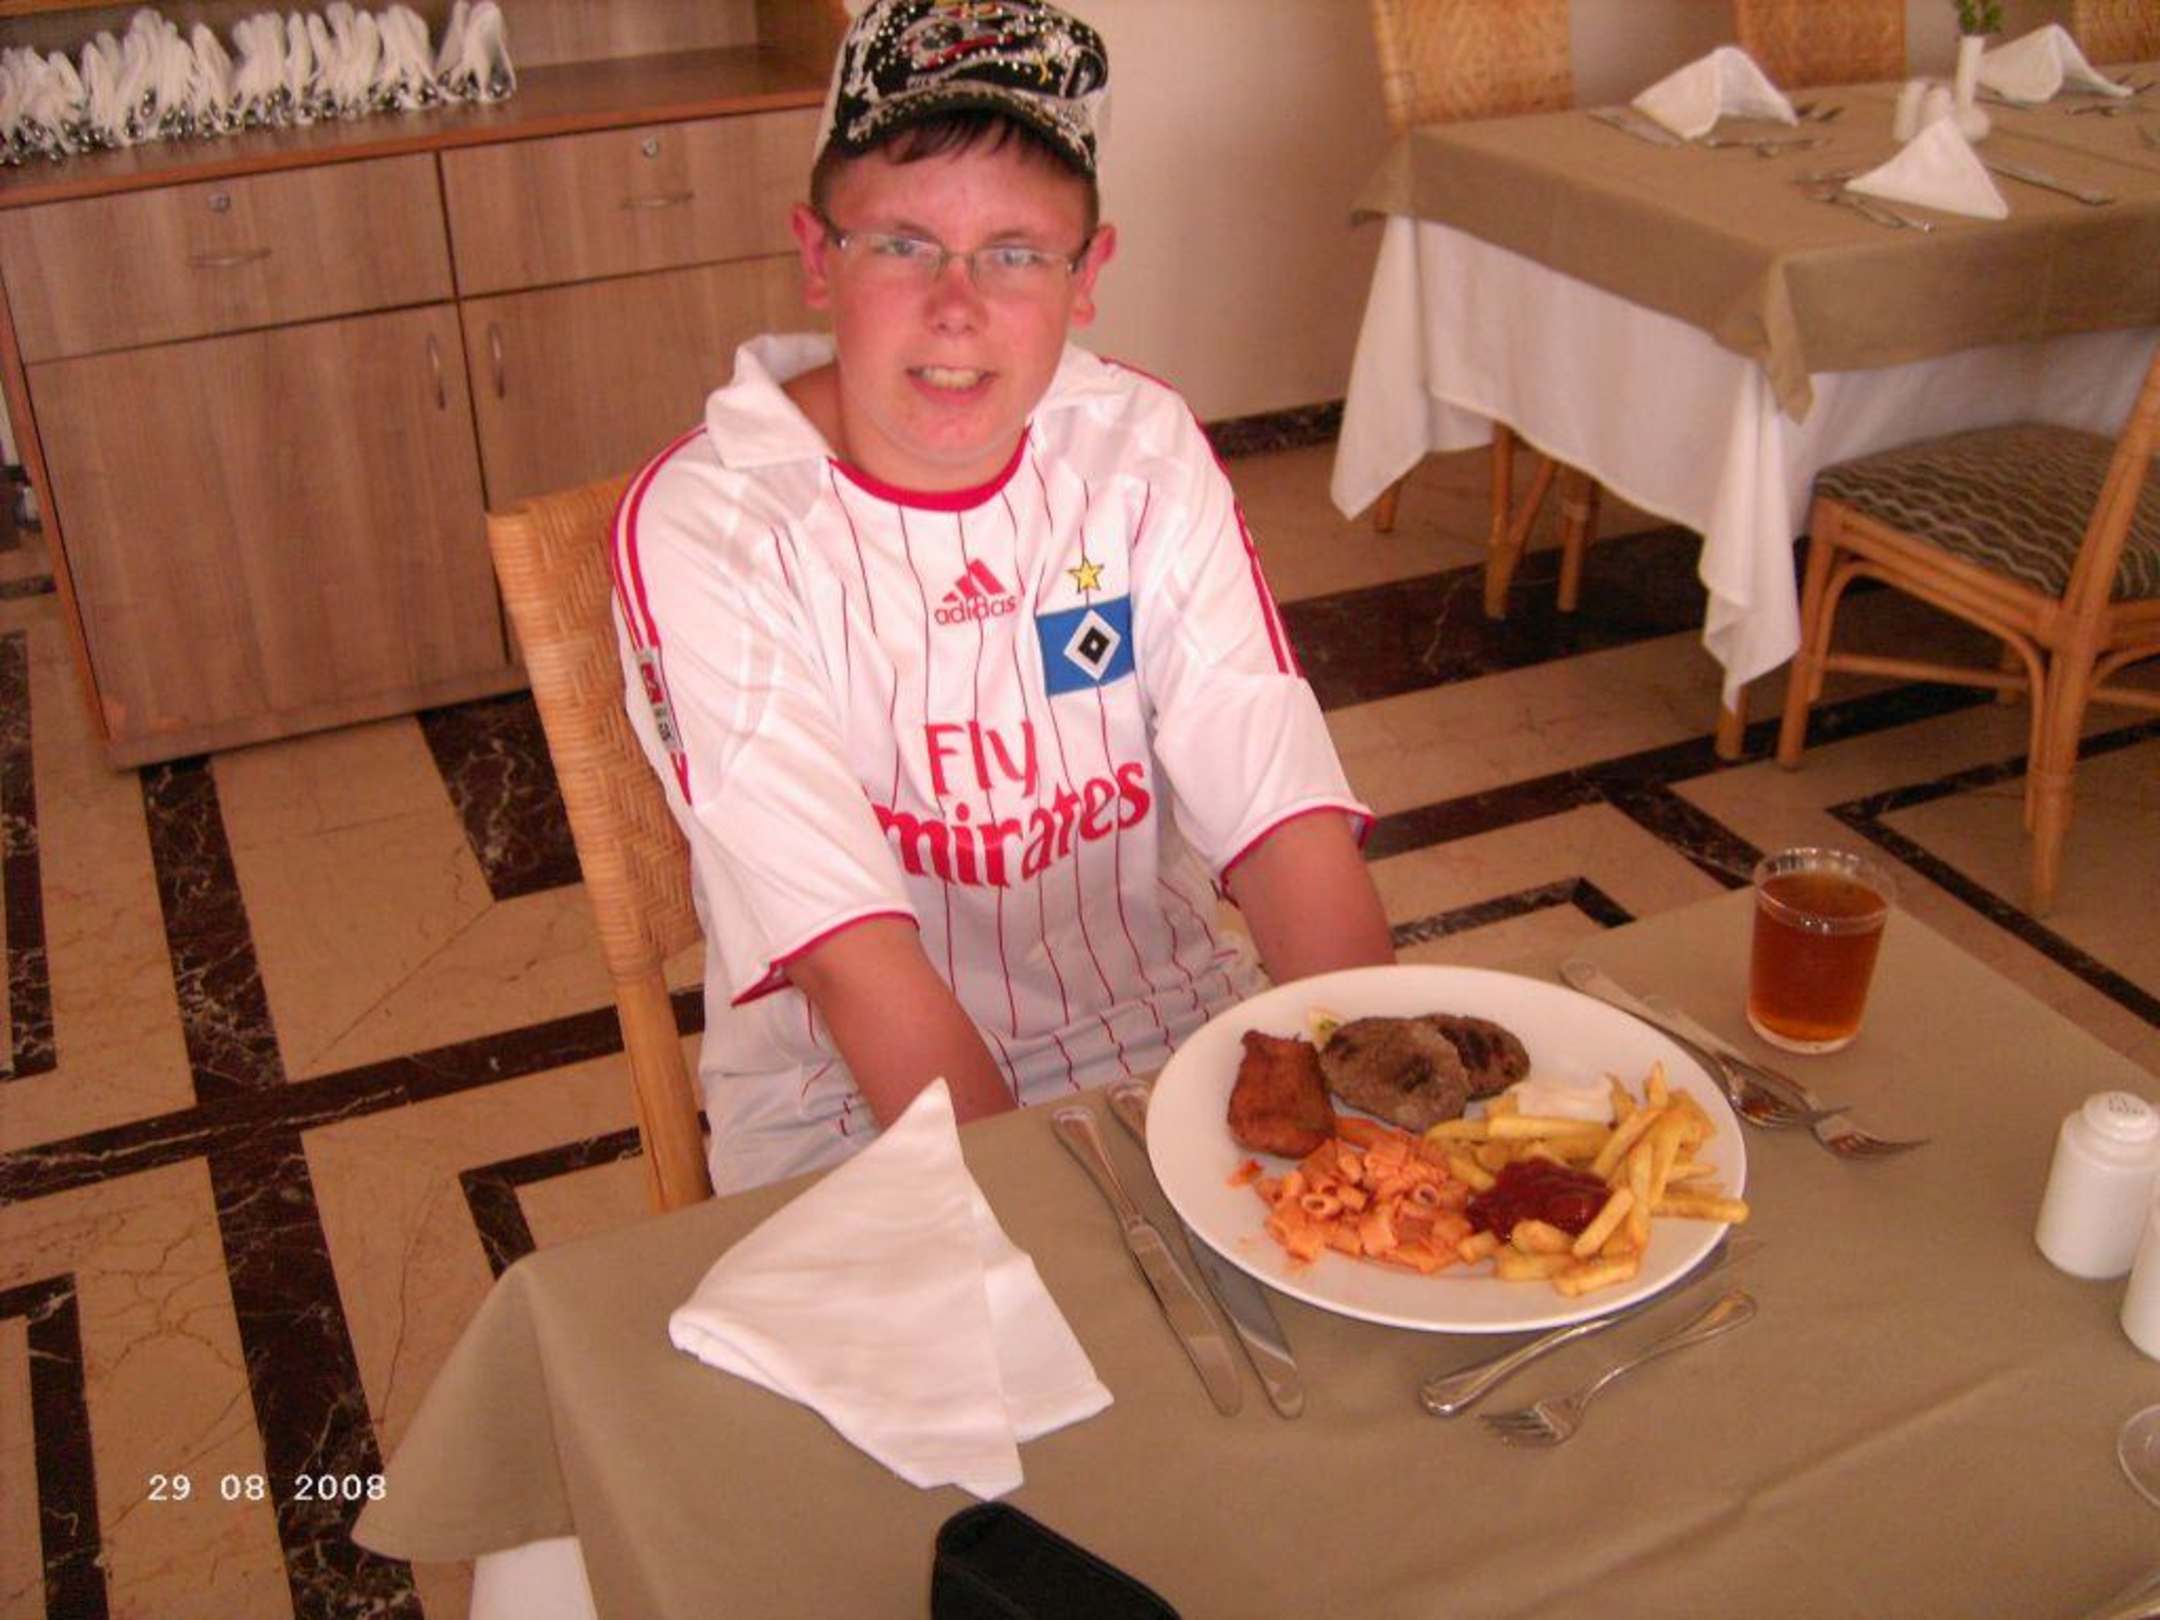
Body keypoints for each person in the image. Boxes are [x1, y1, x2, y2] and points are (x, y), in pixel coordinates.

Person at [614, 0, 1394, 1195]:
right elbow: (853, 961)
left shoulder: (1137, 448)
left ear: (1089, 278)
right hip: (853, 1116)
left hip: (1174, 1035)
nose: (958, 304)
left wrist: (1383, 1117)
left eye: (1017, 252)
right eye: (904, 243)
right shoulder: (716, 522)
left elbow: (1279, 812)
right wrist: (1058, 1228)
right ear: (818, 257)